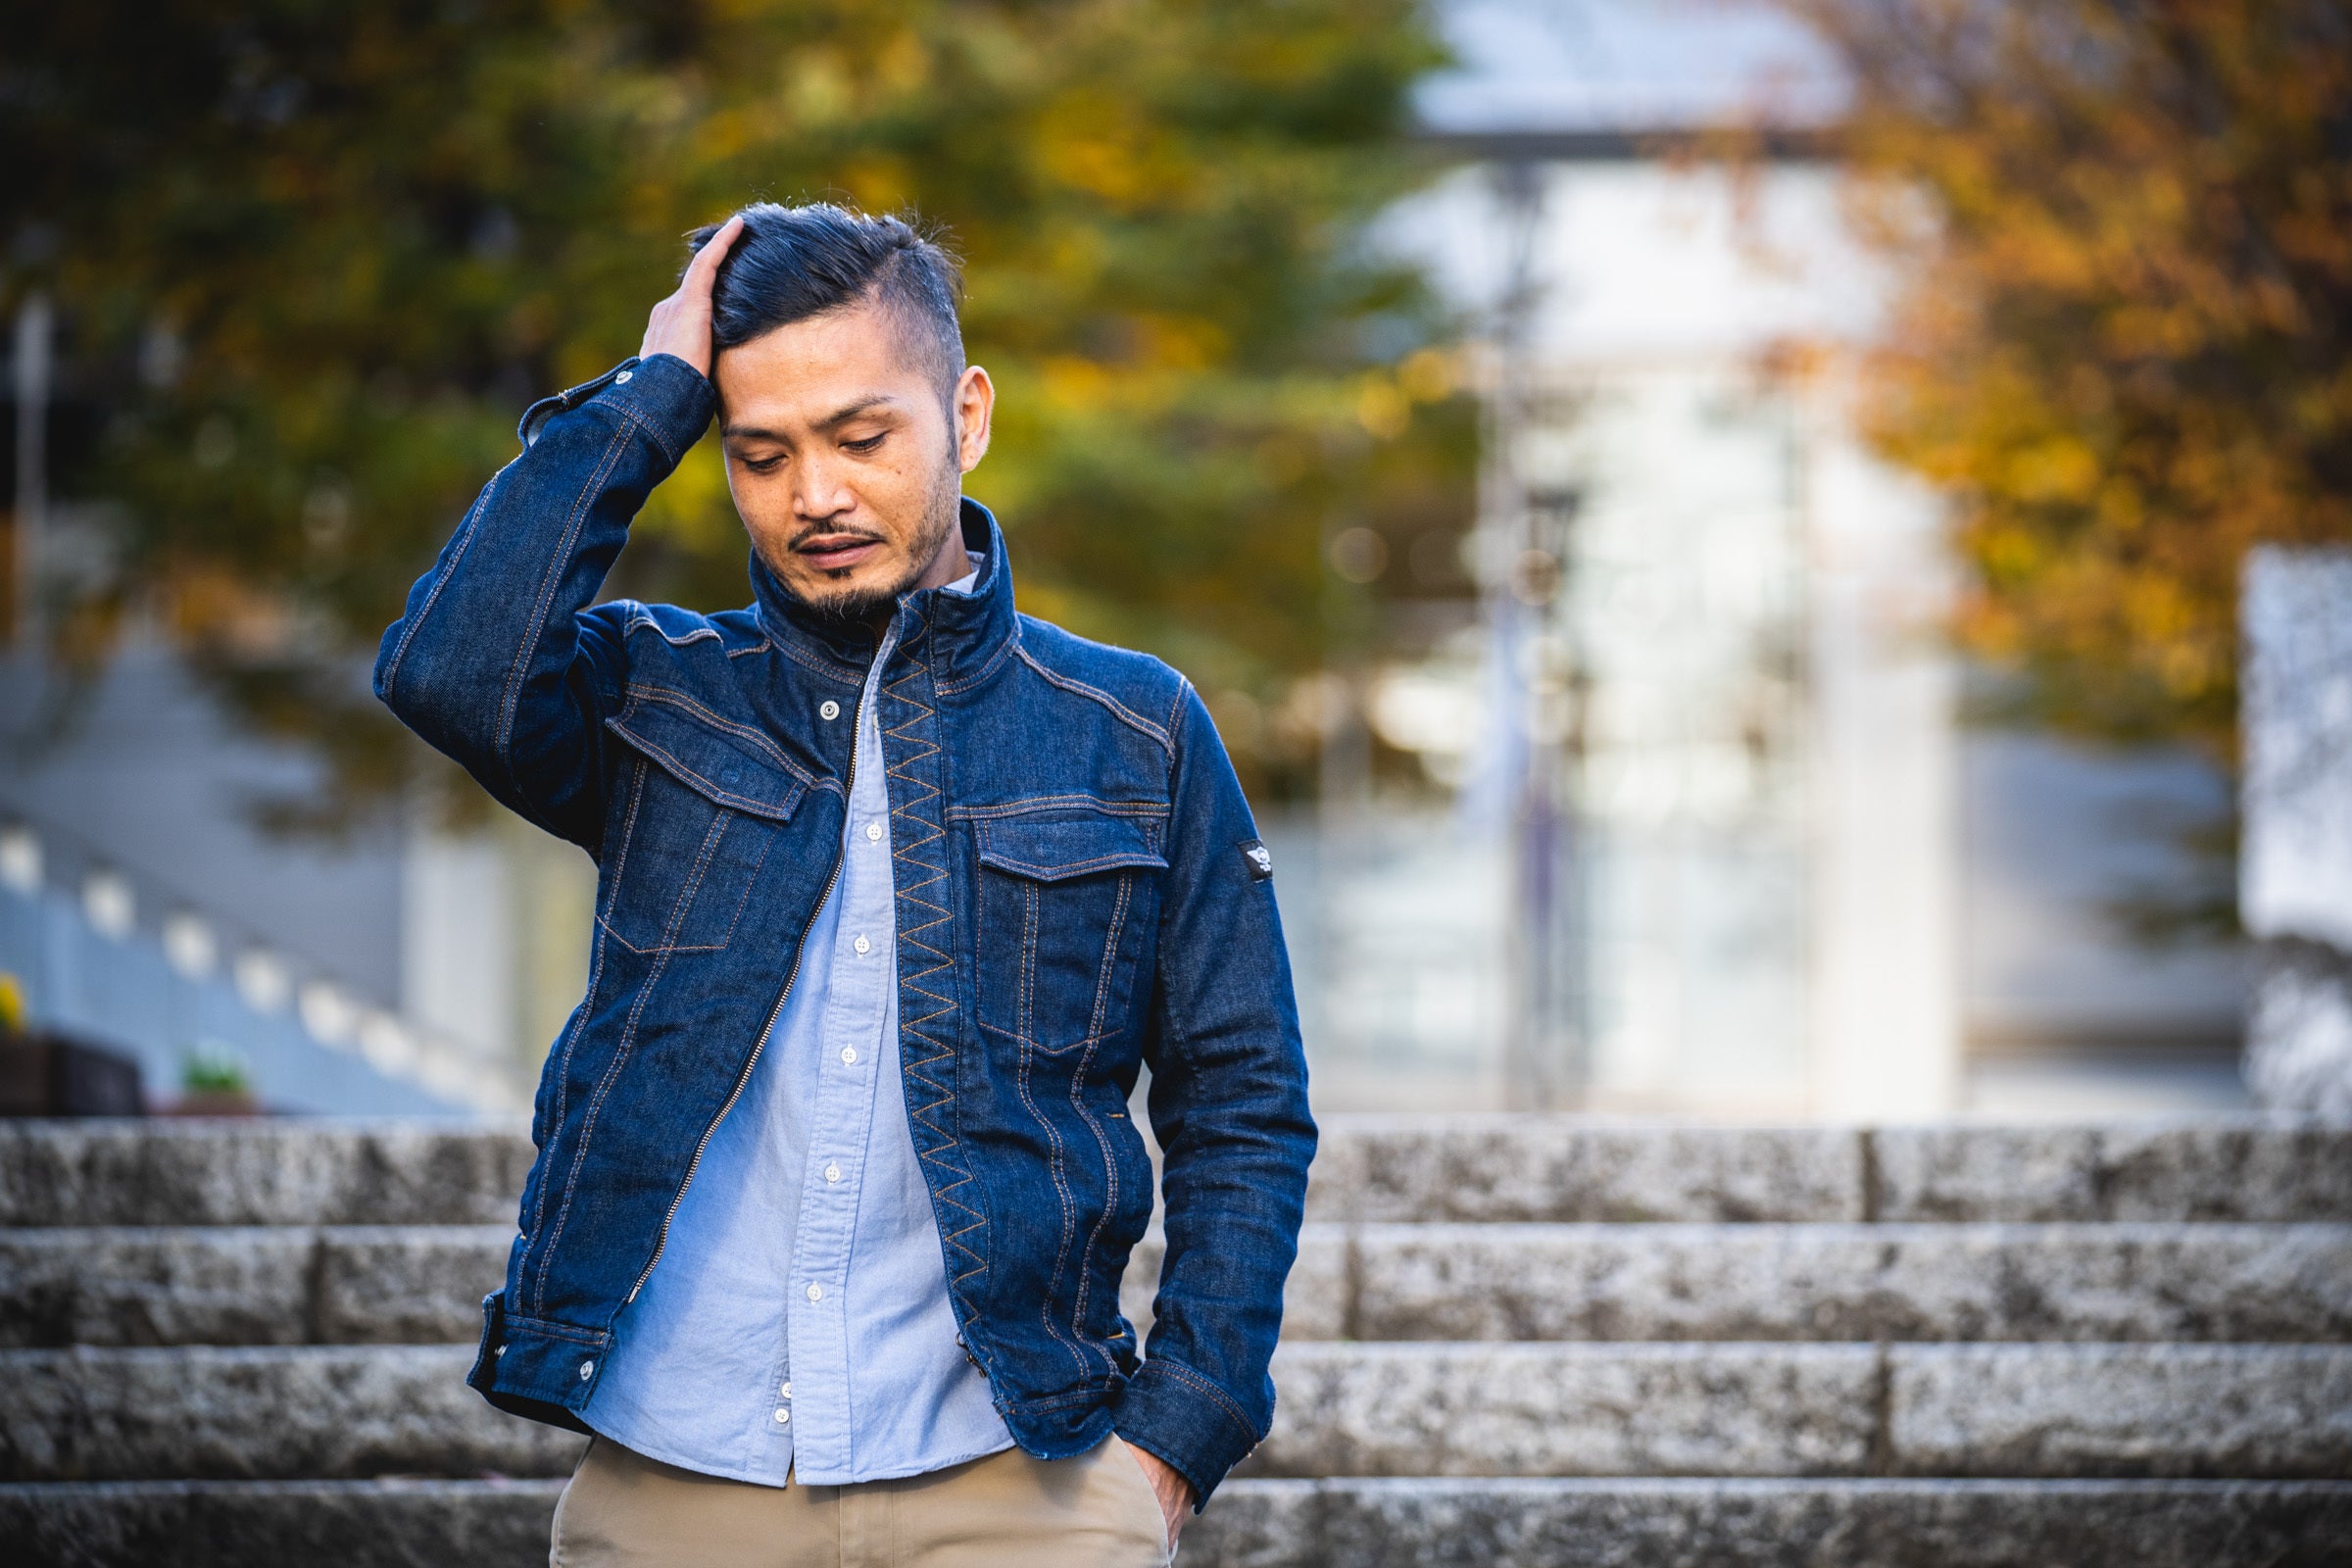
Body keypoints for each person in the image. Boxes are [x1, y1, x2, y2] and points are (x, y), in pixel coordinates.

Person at [372, 202, 1315, 1567]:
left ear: (967, 417)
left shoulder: (1135, 730)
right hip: (679, 1476)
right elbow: (449, 671)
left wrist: (1179, 1434)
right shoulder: (656, 695)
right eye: (760, 455)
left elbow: (1242, 1100)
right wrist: (649, 398)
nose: (814, 495)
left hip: (1021, 1480)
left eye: (861, 439)